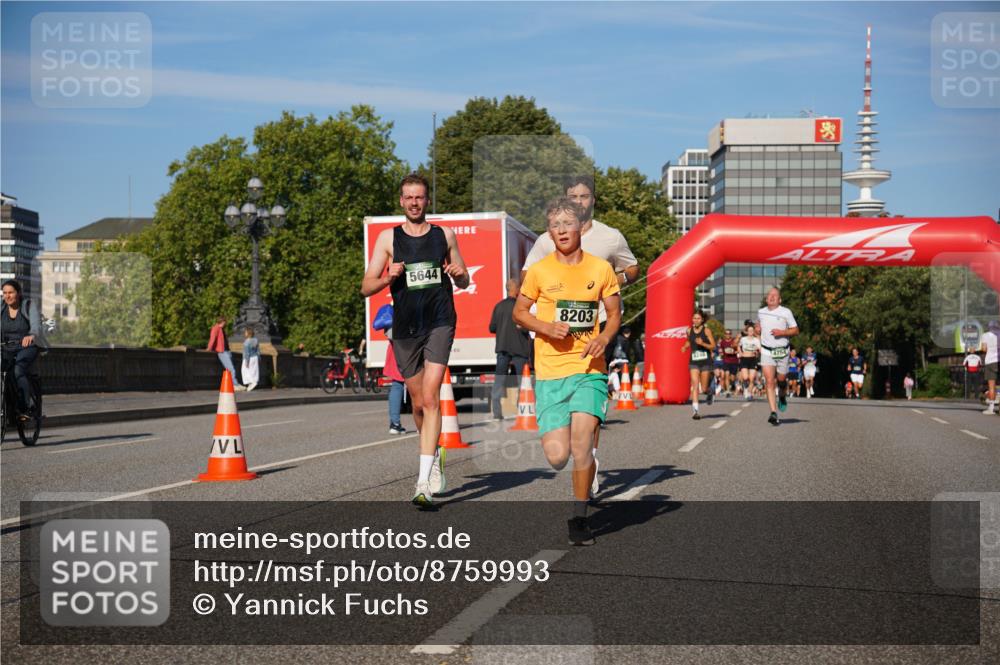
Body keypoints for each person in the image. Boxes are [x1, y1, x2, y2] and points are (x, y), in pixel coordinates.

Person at [513, 196, 620, 546]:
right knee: (558, 456)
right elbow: (519, 313)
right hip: (550, 372)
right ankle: (581, 477)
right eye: (554, 224)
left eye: (567, 223)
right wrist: (544, 327)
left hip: (589, 368)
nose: (561, 230)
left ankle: (579, 517)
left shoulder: (599, 269)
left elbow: (614, 314)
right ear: (549, 230)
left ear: (580, 228)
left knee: (582, 444)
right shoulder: (541, 271)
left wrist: (604, 337)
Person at [361, 173, 469, 508]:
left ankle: (422, 481)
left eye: (419, 197)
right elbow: (365, 286)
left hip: (440, 320)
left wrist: (457, 273)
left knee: (432, 396)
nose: (414, 203)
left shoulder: (444, 235)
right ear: (400, 201)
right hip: (406, 326)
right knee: (419, 402)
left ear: (427, 200)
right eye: (408, 197)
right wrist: (386, 276)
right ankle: (432, 450)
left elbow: (464, 278)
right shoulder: (387, 239)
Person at [521, 176, 639, 458]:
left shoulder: (610, 236)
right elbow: (527, 275)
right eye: (572, 196)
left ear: (593, 201)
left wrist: (614, 281)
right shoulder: (548, 238)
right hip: (556, 331)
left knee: (589, 395)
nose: (578, 201)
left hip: (598, 324)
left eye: (584, 196)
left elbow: (633, 268)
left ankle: (590, 456)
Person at [1, 279, 47, 418]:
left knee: (18, 370)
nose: (7, 296)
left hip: (26, 346)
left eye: (11, 293)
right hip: (7, 347)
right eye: (4, 293)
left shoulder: (28, 305)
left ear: (18, 293)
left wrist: (31, 335)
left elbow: (36, 325)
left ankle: (25, 406)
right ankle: (7, 404)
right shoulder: (1, 308)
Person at [488, 278, 531, 420]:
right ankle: (523, 410)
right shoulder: (520, 308)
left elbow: (492, 328)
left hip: (503, 348)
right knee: (522, 382)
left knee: (499, 381)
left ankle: (497, 412)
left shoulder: (498, 306)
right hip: (519, 349)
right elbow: (527, 327)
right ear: (517, 289)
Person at [758, 287, 799, 426]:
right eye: (770, 295)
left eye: (775, 295)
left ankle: (782, 395)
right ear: (766, 299)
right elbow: (760, 325)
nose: (772, 297)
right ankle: (773, 413)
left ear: (779, 299)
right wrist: (758, 328)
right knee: (769, 381)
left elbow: (795, 330)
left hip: (782, 351)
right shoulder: (761, 312)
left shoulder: (785, 312)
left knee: (781, 380)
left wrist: (782, 332)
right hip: (766, 351)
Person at [680, 310, 715, 419]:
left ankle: (709, 392)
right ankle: (695, 412)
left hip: (705, 362)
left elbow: (713, 346)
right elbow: (689, 341)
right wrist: (685, 346)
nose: (696, 320)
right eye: (694, 318)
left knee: (703, 389)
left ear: (702, 320)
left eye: (698, 318)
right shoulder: (689, 330)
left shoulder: (707, 331)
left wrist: (703, 343)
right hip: (694, 361)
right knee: (695, 385)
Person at [208, 316, 245, 390]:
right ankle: (235, 385)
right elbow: (212, 339)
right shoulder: (216, 328)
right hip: (222, 351)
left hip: (227, 351)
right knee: (231, 369)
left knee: (232, 368)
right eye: (225, 321)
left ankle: (236, 384)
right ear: (222, 321)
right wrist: (209, 348)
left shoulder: (222, 329)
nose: (226, 323)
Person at [738, 320, 761, 401]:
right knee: (745, 377)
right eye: (749, 330)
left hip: (753, 359)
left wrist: (757, 351)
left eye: (752, 330)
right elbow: (738, 346)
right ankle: (745, 388)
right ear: (747, 332)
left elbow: (760, 349)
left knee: (751, 378)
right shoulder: (743, 339)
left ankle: (749, 394)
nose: (751, 332)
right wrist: (740, 352)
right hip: (744, 359)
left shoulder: (756, 340)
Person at [980, 321, 998, 415]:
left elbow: (984, 349)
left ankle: (991, 409)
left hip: (990, 361)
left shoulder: (985, 335)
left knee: (992, 386)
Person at [720, 328, 740, 397]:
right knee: (726, 374)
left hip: (734, 361)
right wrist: (722, 354)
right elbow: (721, 350)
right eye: (726, 334)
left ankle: (733, 385)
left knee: (732, 378)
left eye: (729, 334)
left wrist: (733, 352)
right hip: (726, 361)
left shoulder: (734, 341)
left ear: (731, 335)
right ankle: (728, 391)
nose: (727, 335)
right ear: (724, 335)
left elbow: (738, 350)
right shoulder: (722, 342)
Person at [241, 328, 260, 392]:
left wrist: (247, 361)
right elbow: (258, 350)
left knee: (245, 370)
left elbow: (247, 352)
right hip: (255, 357)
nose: (244, 333)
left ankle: (252, 382)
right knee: (253, 371)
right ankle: (251, 384)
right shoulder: (256, 340)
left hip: (249, 358)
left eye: (245, 332)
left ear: (248, 333)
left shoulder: (247, 342)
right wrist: (259, 358)